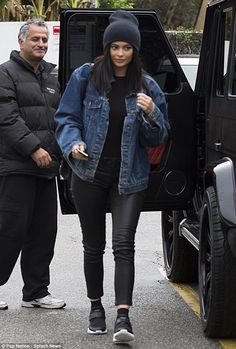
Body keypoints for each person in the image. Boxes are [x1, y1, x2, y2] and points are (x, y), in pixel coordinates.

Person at [55, 10, 169, 343]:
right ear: (107, 48)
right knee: (93, 246)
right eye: (115, 47)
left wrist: (151, 115)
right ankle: (95, 309)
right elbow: (66, 118)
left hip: (128, 178)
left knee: (124, 245)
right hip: (88, 173)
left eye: (127, 48)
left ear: (135, 51)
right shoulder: (85, 77)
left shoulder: (146, 86)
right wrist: (72, 142)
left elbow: (158, 138)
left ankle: (123, 317)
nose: (120, 53)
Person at [0, 18, 66, 310]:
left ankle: (36, 292)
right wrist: (34, 149)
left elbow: (61, 120)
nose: (41, 44)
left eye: (44, 40)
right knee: (8, 230)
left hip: (46, 169)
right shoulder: (5, 73)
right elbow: (7, 118)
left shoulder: (52, 77)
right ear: (21, 41)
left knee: (43, 233)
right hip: (16, 167)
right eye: (35, 39)